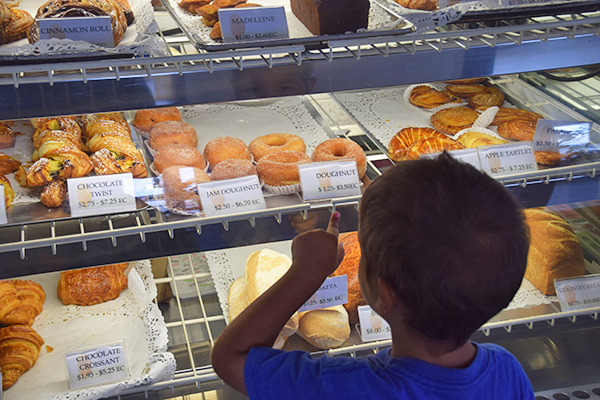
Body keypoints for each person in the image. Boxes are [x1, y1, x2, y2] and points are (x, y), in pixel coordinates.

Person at [211, 152, 534, 399]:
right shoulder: (508, 372)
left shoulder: (342, 386)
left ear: (384, 294)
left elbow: (230, 358)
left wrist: (306, 273)